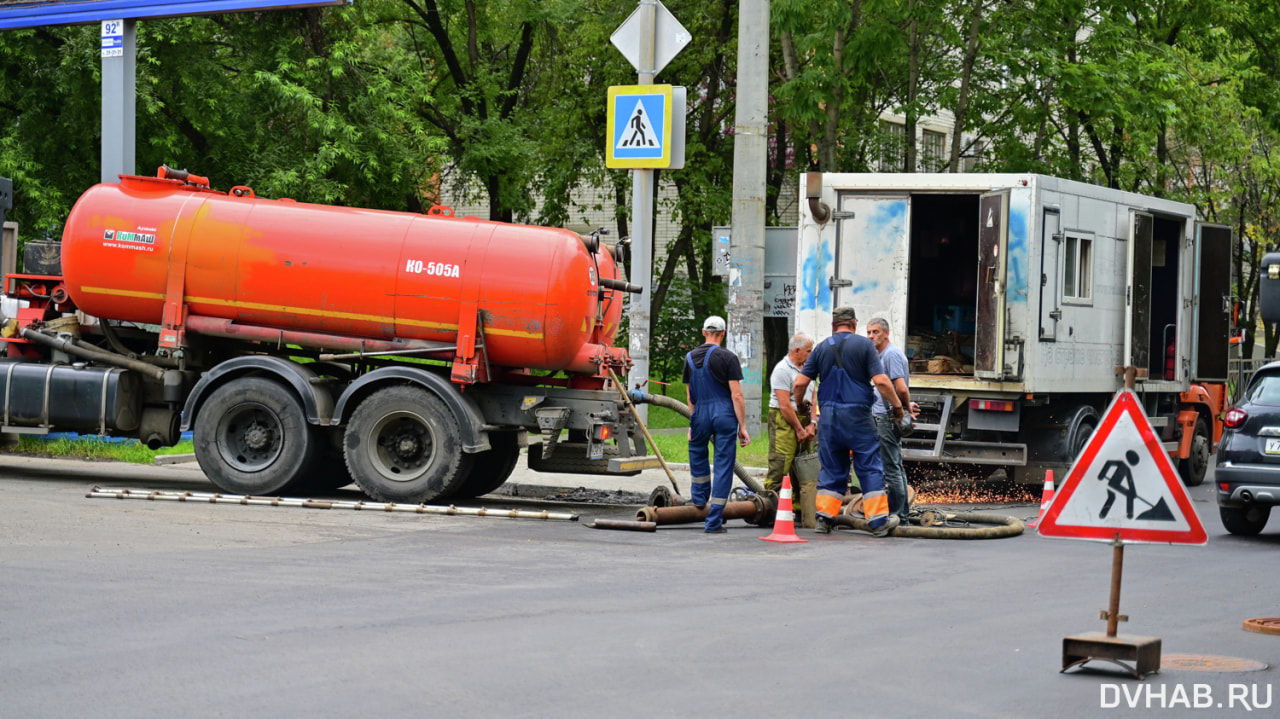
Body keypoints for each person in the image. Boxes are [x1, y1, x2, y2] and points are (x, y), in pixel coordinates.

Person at [793, 306, 905, 537]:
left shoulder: (822, 347)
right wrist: (897, 406)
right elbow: (882, 382)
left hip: (829, 418)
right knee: (869, 464)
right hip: (857, 416)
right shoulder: (864, 345)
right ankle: (878, 521)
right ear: (854, 324)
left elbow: (799, 384)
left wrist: (800, 405)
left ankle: (825, 518)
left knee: (832, 467)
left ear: (833, 326)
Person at [684, 315, 749, 533]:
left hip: (700, 412)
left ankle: (699, 498)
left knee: (696, 449)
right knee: (723, 465)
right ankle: (713, 522)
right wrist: (743, 427)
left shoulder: (689, 358)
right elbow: (737, 395)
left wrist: (693, 423)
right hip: (724, 414)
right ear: (723, 333)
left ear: (703, 332)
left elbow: (690, 396)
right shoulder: (728, 357)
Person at [867, 317, 918, 525]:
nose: (871, 336)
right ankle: (897, 512)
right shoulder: (881, 355)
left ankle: (899, 516)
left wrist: (904, 408)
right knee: (892, 466)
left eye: (875, 332)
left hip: (886, 417)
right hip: (882, 415)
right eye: (869, 332)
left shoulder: (891, 355)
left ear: (886, 333)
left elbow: (901, 388)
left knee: (892, 468)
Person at [767, 332, 817, 528]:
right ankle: (770, 508)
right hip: (784, 419)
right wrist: (798, 428)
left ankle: (798, 509)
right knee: (782, 462)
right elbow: (784, 404)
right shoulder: (781, 370)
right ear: (797, 351)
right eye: (808, 351)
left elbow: (814, 397)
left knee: (803, 465)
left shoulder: (808, 369)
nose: (811, 355)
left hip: (804, 419)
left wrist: (812, 423)